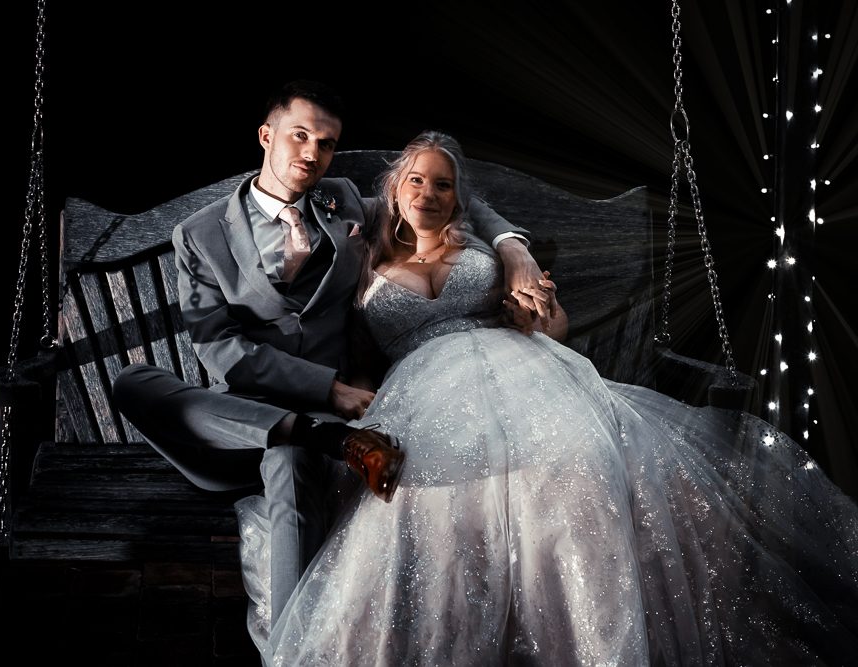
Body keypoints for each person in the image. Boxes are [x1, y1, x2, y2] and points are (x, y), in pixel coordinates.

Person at [234, 131, 858, 665]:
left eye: (444, 185)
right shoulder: (362, 252)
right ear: (395, 189)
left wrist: (532, 295)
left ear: (459, 198)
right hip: (423, 383)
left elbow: (548, 326)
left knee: (581, 464)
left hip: (518, 362)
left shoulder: (480, 244)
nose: (428, 193)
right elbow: (306, 293)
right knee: (426, 492)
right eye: (417, 180)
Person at [110, 83, 548, 626]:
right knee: (131, 380)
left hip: (326, 424)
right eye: (300, 136)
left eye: (326, 143)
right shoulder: (199, 235)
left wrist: (512, 245)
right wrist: (330, 392)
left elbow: (439, 199)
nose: (313, 153)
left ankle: (292, 648)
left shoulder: (339, 200)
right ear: (266, 136)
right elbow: (218, 347)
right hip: (244, 420)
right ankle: (316, 436)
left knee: (290, 462)